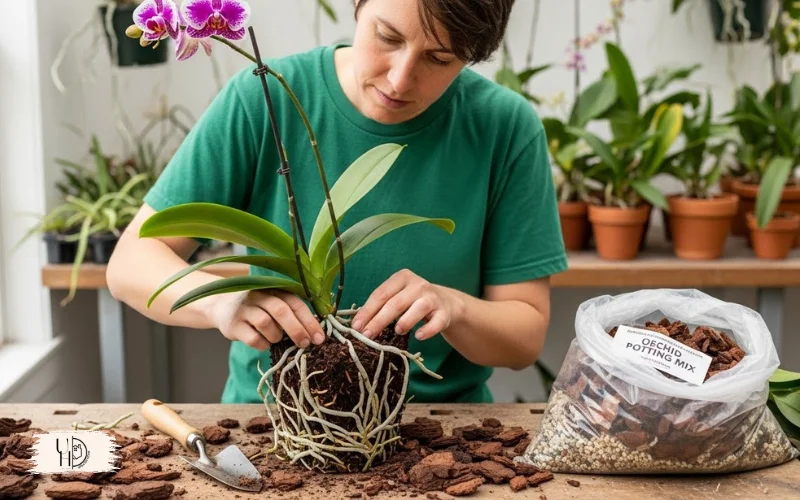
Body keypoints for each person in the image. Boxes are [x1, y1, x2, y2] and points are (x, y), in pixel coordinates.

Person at [106, 0, 568, 404]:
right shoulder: (266, 97)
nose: (401, 78)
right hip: (275, 420)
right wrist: (218, 305)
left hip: (440, 431)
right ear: (358, 6)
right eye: (387, 36)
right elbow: (130, 264)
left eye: (439, 58)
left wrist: (454, 307)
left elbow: (523, 337)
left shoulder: (504, 128)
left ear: (473, 55)